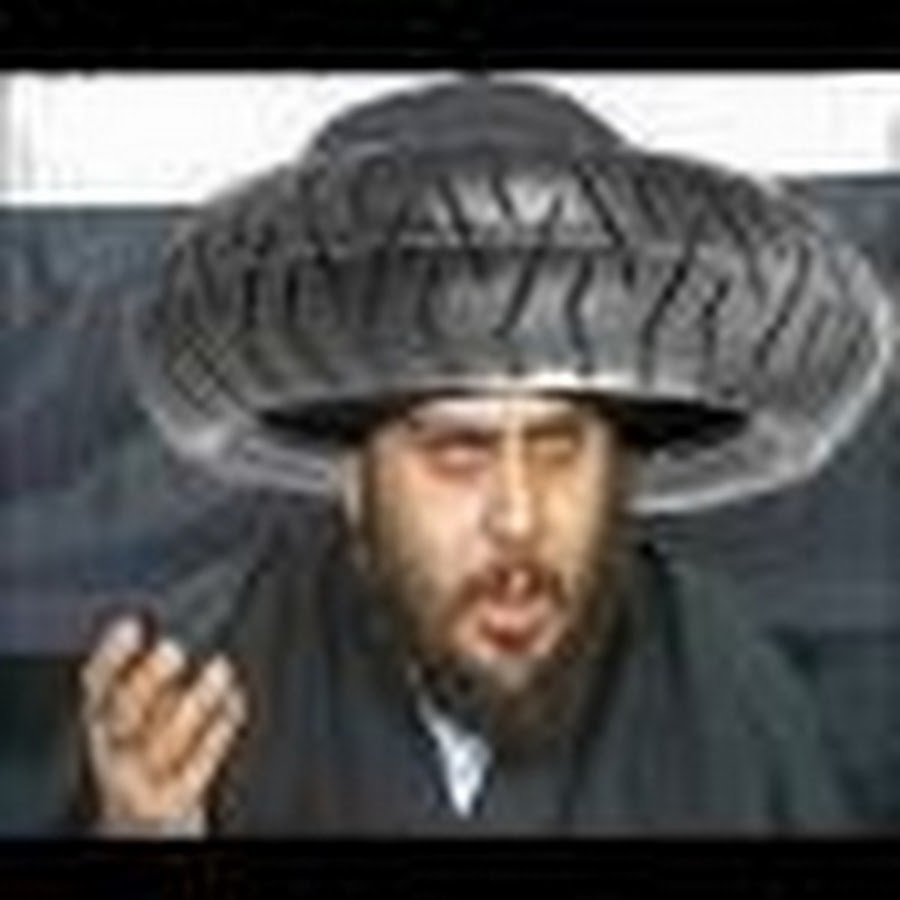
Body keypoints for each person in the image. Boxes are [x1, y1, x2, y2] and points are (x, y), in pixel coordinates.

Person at [76, 77, 894, 835]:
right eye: (458, 451)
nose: (519, 517)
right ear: (354, 476)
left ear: (621, 465)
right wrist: (141, 833)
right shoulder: (196, 679)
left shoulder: (720, 681)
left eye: (559, 445)